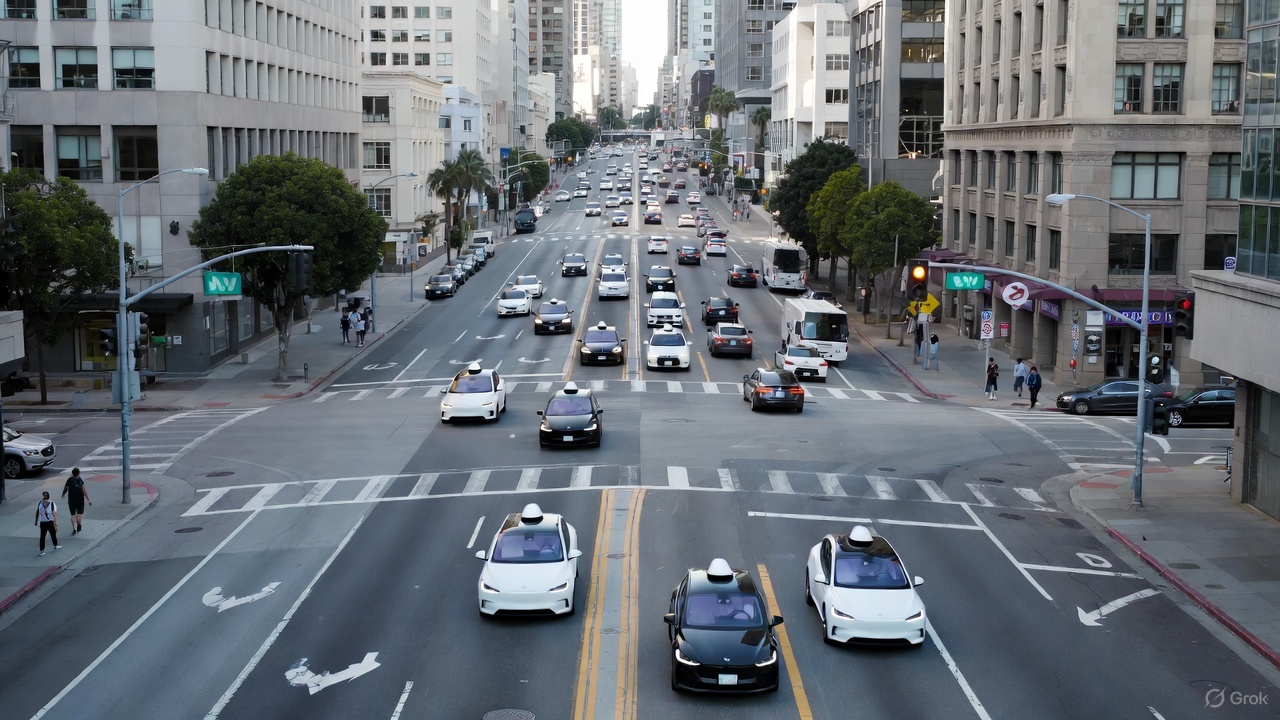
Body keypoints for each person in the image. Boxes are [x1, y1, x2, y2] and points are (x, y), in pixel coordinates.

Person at [61, 467, 91, 534]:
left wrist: (63, 494)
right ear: (78, 473)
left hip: (71, 501)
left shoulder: (69, 480)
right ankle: (79, 524)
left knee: (73, 515)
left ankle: (74, 528)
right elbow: (84, 491)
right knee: (79, 514)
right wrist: (89, 499)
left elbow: (65, 488)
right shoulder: (80, 480)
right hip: (80, 500)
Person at [35, 491, 60, 555]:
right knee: (52, 534)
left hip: (43, 522)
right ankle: (55, 545)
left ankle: (42, 550)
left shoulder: (40, 503)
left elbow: (38, 511)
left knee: (43, 536)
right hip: (49, 522)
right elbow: (54, 513)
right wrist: (55, 522)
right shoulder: (52, 503)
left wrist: (36, 521)